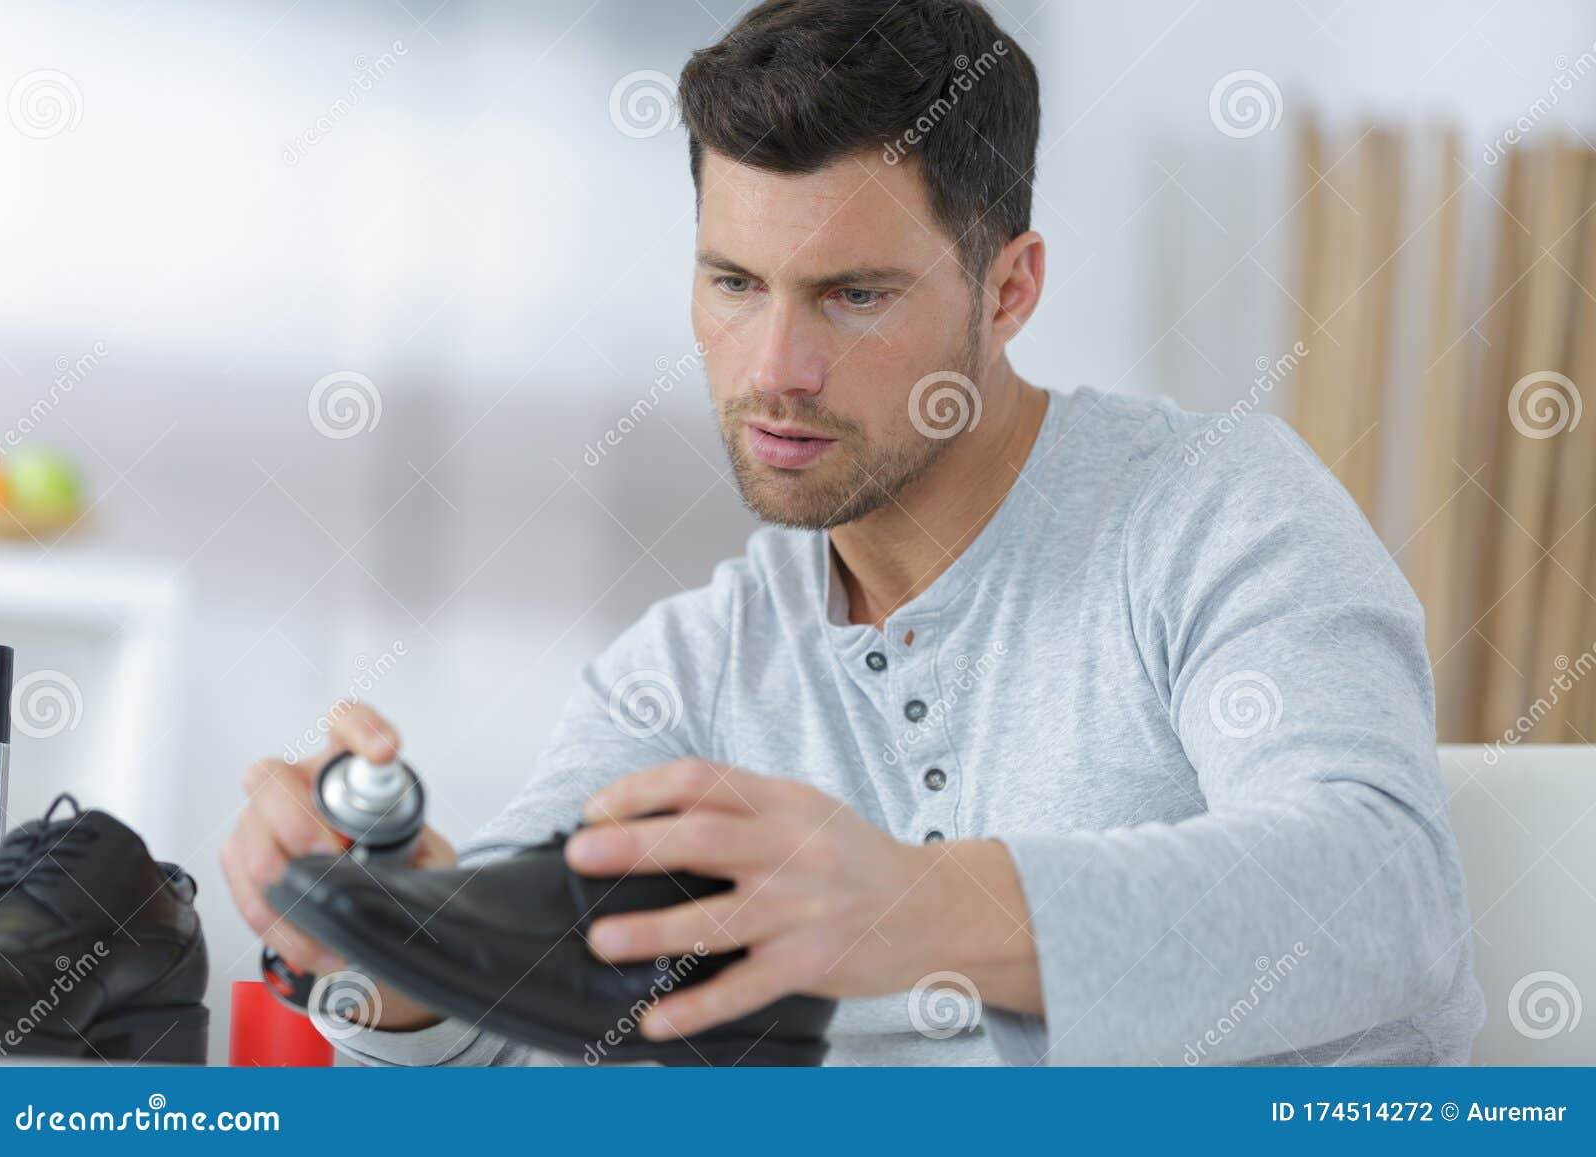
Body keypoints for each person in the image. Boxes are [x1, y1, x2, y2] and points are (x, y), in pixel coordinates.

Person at [220, 0, 1486, 1066]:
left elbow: (1384, 894)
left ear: (1009, 289)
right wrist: (389, 936)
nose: (775, 367)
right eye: (734, 283)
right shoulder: (692, 668)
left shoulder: (1214, 512)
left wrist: (914, 904)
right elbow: (505, 1050)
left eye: (854, 295)